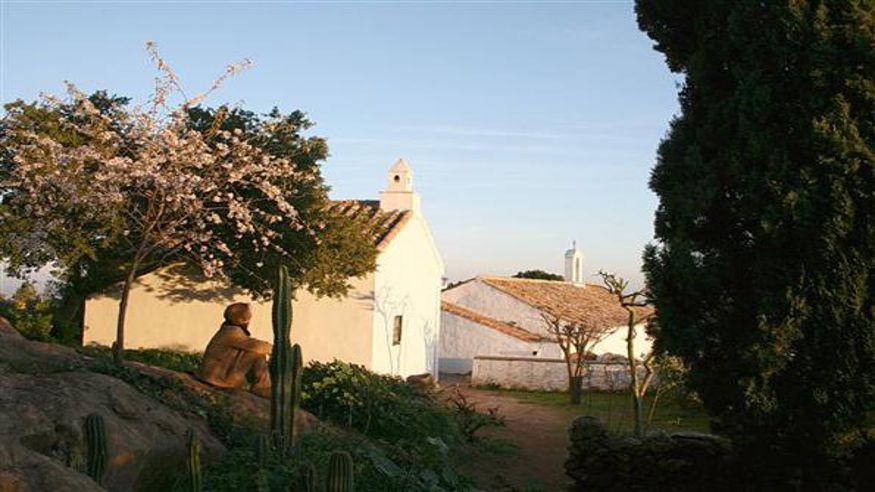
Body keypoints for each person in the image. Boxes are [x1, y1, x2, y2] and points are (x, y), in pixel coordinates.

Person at [197, 302, 272, 397]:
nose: (250, 319)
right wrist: (279, 349)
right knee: (257, 353)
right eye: (249, 316)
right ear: (242, 319)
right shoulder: (231, 333)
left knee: (256, 352)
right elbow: (256, 345)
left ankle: (263, 388)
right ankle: (263, 388)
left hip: (215, 375)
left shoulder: (228, 330)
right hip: (216, 378)